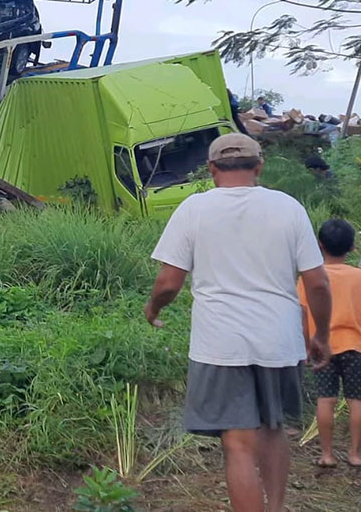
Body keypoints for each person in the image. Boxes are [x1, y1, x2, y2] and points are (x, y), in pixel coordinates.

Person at [144, 132, 332, 512]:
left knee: (238, 443)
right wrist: (321, 335)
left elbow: (168, 282)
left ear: (212, 169)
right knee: (274, 429)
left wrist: (154, 309)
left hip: (221, 344)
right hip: (280, 340)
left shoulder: (194, 208)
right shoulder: (288, 208)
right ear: (258, 166)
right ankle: (276, 507)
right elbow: (318, 283)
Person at [298, 218, 361, 468]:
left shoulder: (309, 279)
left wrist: (304, 347)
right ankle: (355, 454)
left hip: (320, 347)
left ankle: (327, 454)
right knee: (357, 399)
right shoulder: (358, 277)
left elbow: (303, 317)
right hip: (355, 346)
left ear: (319, 245)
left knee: (326, 399)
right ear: (352, 247)